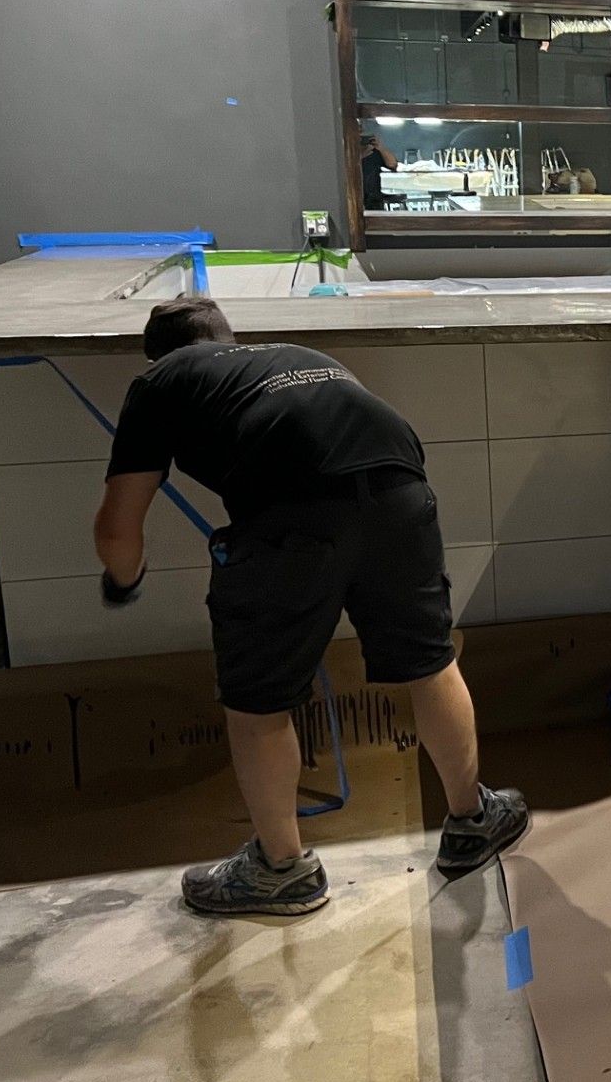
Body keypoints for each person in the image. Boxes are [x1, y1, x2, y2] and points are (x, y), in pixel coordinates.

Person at [93, 298, 527, 917]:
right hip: (400, 493)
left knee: (257, 699)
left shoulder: (160, 380)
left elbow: (117, 526)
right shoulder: (300, 357)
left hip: (287, 520)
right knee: (429, 660)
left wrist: (123, 581)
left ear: (158, 352)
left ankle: (281, 870)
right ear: (228, 337)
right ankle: (472, 819)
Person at [360, 132, 397, 208]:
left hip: (373, 199)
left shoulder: (375, 153)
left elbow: (392, 164)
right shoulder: (348, 153)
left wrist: (380, 148)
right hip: (353, 196)